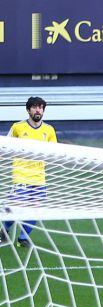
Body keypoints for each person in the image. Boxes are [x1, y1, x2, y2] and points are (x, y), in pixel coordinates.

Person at [3, 96, 56, 248]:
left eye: (40, 107)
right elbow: (6, 145)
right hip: (21, 175)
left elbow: (54, 152)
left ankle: (22, 238)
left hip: (39, 178)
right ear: (28, 110)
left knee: (36, 209)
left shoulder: (49, 130)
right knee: (16, 206)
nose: (38, 110)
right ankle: (4, 231)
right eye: (34, 107)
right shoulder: (18, 127)